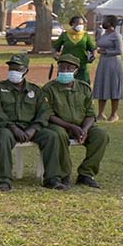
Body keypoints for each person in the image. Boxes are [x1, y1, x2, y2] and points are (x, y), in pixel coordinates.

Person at [0, 54, 66, 191]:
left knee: (51, 136)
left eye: (18, 69)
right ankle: (5, 180)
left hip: (30, 129)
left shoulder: (36, 91)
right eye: (11, 68)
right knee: (3, 137)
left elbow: (44, 112)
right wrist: (13, 128)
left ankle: (52, 179)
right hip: (8, 128)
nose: (14, 71)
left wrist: (33, 129)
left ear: (26, 71)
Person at [43, 53, 110, 188]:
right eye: (61, 68)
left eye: (69, 68)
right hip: (59, 125)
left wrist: (85, 130)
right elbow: (48, 114)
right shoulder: (49, 89)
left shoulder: (84, 88)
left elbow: (90, 114)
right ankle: (63, 174)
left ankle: (86, 174)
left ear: (76, 70)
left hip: (81, 126)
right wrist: (69, 126)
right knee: (58, 134)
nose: (65, 71)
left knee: (101, 135)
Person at [93, 15, 123, 122]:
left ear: (110, 23)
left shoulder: (117, 35)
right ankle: (101, 114)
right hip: (103, 63)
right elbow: (98, 45)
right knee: (102, 86)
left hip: (114, 63)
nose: (102, 22)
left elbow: (120, 51)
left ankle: (114, 114)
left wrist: (107, 52)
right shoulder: (103, 33)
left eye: (105, 21)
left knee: (113, 86)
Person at [52, 15, 96, 83]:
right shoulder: (65, 34)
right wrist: (55, 54)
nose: (81, 25)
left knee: (83, 84)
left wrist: (93, 55)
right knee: (65, 83)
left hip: (81, 64)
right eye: (79, 23)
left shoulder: (85, 35)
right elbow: (55, 47)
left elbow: (92, 48)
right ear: (73, 24)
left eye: (82, 24)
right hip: (66, 65)